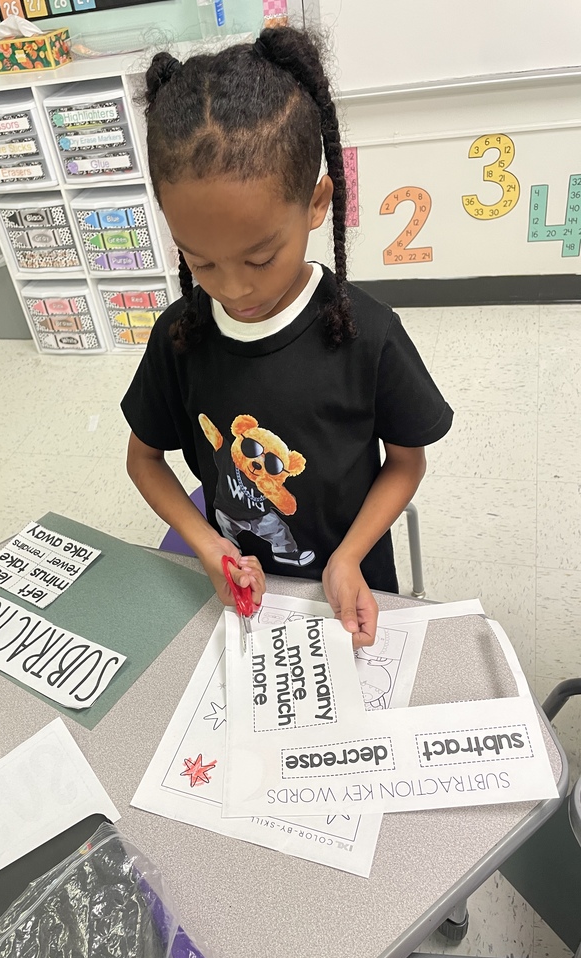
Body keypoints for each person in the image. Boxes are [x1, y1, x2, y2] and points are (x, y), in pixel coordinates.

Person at [121, 27, 453, 648]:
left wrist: (349, 557)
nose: (234, 289)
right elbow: (144, 458)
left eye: (259, 258)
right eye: (201, 261)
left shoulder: (368, 334)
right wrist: (207, 545)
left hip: (348, 581)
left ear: (318, 201)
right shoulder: (181, 335)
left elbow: (407, 462)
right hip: (237, 590)